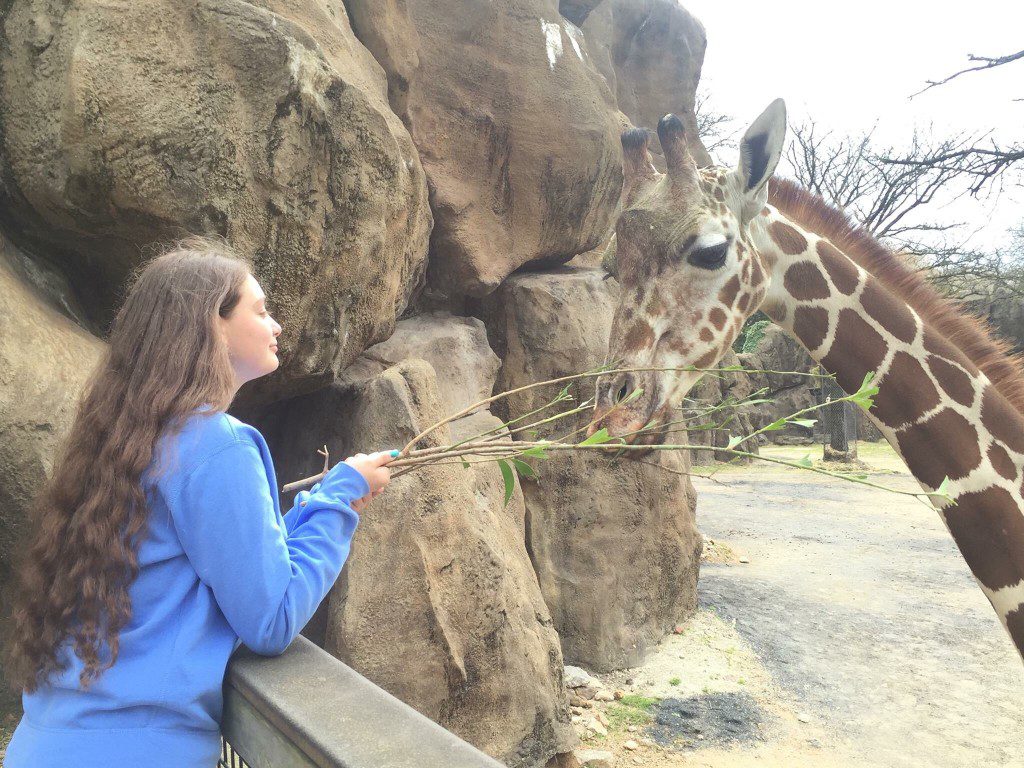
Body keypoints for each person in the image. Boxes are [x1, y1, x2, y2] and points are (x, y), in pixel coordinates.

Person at [2, 237, 393, 767]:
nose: (277, 325)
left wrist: (317, 502)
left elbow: (232, 564)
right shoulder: (217, 443)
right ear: (212, 323)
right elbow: (272, 618)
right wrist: (341, 499)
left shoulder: (127, 438)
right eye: (261, 310)